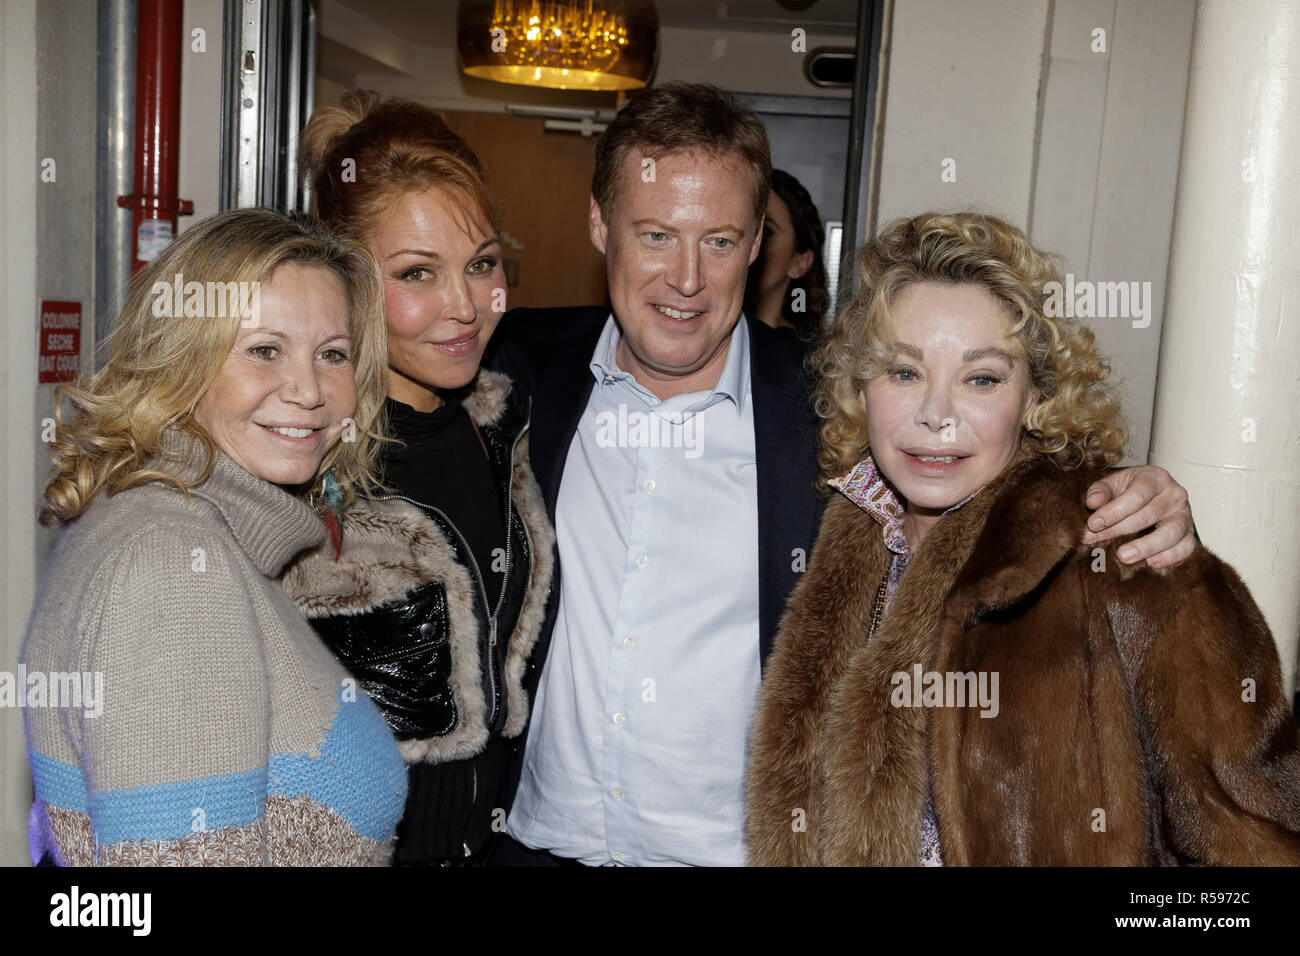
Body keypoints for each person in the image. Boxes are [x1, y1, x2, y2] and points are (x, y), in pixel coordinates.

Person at [486, 82, 1201, 866]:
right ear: (599, 224)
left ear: (758, 241)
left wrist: (1133, 497)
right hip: (534, 840)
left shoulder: (825, 406)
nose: (685, 278)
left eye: (720, 241)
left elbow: (997, 457)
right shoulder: (517, 368)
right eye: (656, 235)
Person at [745, 212, 1300, 866]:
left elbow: (1260, 850)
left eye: (981, 378)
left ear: (1036, 395)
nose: (936, 414)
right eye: (903, 372)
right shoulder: (834, 532)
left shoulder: (1126, 557)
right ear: (859, 387)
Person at [23, 208, 408, 866]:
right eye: (264, 350)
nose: (311, 390)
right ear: (183, 357)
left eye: (333, 354)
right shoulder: (172, 562)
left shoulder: (168, 519)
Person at [281, 91, 555, 866]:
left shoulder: (510, 426)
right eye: (417, 274)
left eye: (481, 265)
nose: (463, 307)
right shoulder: (299, 455)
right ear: (346, 277)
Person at [745, 168, 830, 339]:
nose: (750, 243)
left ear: (800, 263)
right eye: (746, 227)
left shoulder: (808, 359)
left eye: (766, 232)